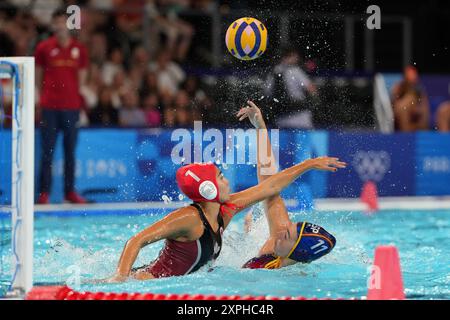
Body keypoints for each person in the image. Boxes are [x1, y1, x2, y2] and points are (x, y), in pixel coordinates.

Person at [102, 122, 345, 282]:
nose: (227, 180)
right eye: (220, 177)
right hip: (146, 283)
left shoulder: (225, 210)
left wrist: (308, 163)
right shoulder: (189, 219)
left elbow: (270, 187)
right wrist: (120, 280)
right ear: (208, 190)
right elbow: (136, 240)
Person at [237, 101, 344, 269]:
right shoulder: (277, 240)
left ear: (296, 252)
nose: (281, 230)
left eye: (287, 234)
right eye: (289, 226)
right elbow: (268, 185)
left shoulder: (289, 274)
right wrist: (260, 127)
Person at [35, 9, 89, 204]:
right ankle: (43, 193)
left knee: (70, 152)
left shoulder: (79, 50)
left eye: (62, 22)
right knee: (47, 152)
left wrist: (78, 100)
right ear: (52, 25)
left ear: (69, 24)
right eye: (56, 22)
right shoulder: (43, 48)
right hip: (49, 107)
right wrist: (41, 99)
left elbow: (82, 79)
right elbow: (38, 76)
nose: (59, 26)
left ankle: (69, 192)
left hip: (71, 107)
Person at [265, 47, 318, 128]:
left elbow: (267, 93)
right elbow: (311, 89)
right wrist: (314, 103)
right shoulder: (295, 71)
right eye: (295, 56)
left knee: (284, 140)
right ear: (290, 56)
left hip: (281, 118)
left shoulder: (274, 72)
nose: (297, 59)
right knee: (302, 139)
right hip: (300, 117)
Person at [391, 65, 430, 132]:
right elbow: (394, 105)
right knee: (403, 106)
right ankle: (406, 132)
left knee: (410, 101)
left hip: (414, 117)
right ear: (405, 78)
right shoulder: (398, 88)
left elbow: (424, 109)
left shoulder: (419, 91)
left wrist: (417, 110)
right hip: (400, 116)